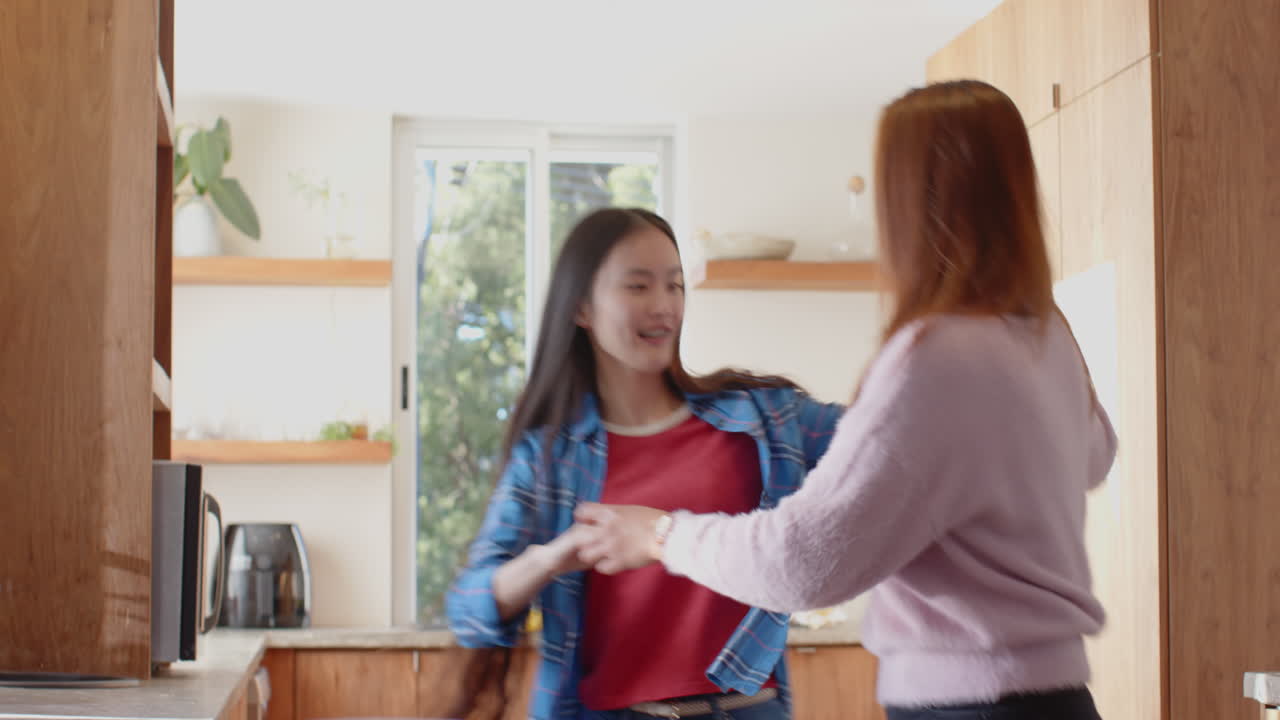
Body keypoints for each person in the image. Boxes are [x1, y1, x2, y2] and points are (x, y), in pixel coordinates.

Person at [574, 81, 1118, 720]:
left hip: (967, 704)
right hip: (1060, 699)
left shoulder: (934, 356)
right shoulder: (1045, 334)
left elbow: (803, 564)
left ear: (905, 199)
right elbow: (1096, 456)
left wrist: (663, 533)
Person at [445, 207, 845, 720]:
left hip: (751, 709)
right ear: (582, 308)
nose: (663, 306)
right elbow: (468, 610)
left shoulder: (763, 420)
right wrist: (548, 559)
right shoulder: (549, 459)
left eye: (675, 286)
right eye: (638, 287)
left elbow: (884, 437)